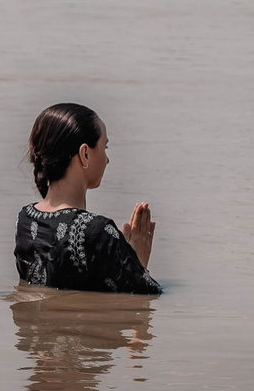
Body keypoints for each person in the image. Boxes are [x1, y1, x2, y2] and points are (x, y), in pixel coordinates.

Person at [15, 103, 162, 295]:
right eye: (104, 147)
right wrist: (138, 261)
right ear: (85, 154)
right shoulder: (97, 231)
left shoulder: (25, 218)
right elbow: (145, 298)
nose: (107, 159)